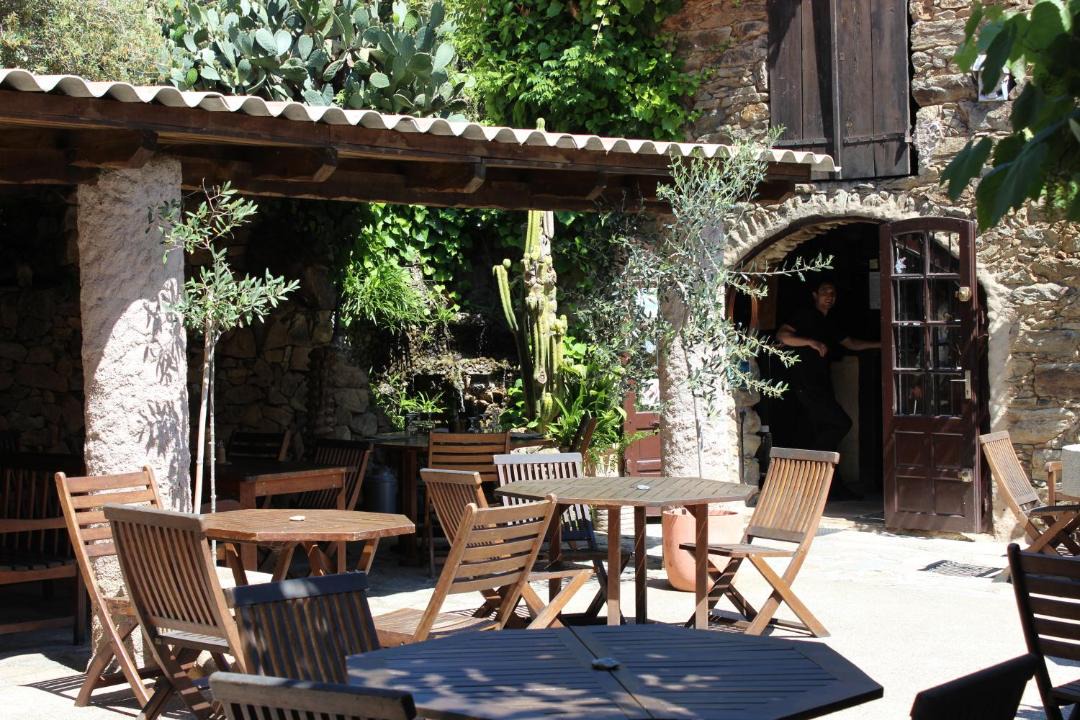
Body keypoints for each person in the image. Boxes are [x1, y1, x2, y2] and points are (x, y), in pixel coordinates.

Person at [776, 280, 880, 499]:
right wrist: (810, 342)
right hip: (805, 384)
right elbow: (782, 336)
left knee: (822, 429)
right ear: (815, 294)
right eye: (824, 292)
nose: (829, 296)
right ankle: (811, 466)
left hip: (821, 383)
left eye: (833, 293)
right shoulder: (805, 314)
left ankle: (829, 486)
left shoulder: (830, 321)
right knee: (841, 423)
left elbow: (850, 343)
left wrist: (880, 345)